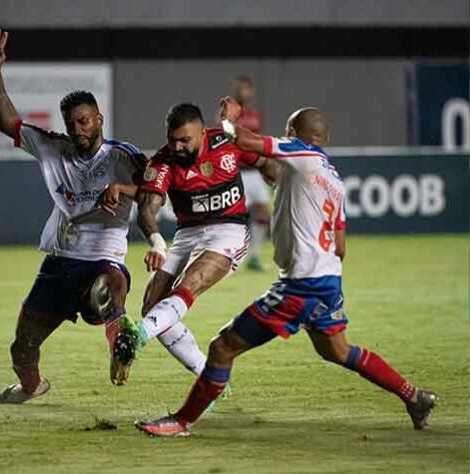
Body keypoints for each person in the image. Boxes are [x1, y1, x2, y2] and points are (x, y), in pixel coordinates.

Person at [134, 101, 437, 437]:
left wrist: (228, 120)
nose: (284, 134)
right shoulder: (334, 180)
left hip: (298, 287)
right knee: (338, 350)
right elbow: (341, 247)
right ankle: (414, 396)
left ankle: (182, 421)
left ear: (298, 135)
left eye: (288, 130)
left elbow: (245, 141)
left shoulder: (299, 153)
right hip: (327, 282)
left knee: (222, 347)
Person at [0, 29, 146, 402]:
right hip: (59, 263)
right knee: (21, 348)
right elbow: (8, 123)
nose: (78, 130)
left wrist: (125, 189)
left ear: (99, 118)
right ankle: (31, 386)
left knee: (107, 290)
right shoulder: (54, 148)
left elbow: (160, 191)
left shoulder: (124, 157)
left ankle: (120, 348)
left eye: (84, 121)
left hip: (103, 258)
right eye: (72, 123)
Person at [104, 102, 277, 386]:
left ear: (201, 133)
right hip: (187, 233)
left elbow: (264, 162)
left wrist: (278, 180)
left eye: (185, 140)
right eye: (172, 140)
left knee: (192, 281)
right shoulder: (163, 162)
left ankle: (135, 338)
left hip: (228, 230)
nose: (178, 147)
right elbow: (148, 207)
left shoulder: (226, 143)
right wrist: (158, 243)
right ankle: (208, 377)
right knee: (152, 306)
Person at [231, 75, 271, 271]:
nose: (245, 92)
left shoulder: (255, 114)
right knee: (236, 216)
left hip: (254, 171)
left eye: (247, 89)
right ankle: (232, 257)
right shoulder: (230, 113)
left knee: (263, 211)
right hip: (238, 171)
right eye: (241, 89)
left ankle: (254, 256)